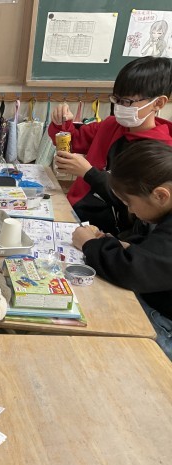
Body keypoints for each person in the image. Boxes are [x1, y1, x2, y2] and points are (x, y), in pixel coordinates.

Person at [49, 56, 172, 236]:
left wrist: (89, 173)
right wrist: (62, 122)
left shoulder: (159, 152)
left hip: (111, 229)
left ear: (158, 103)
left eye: (127, 102)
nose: (120, 107)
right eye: (117, 100)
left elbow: (134, 202)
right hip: (75, 208)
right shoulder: (112, 125)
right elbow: (74, 140)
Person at [72, 140, 172, 360]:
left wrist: (89, 244)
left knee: (93, 322)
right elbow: (156, 253)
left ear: (160, 196)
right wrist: (126, 246)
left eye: (129, 203)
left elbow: (132, 270)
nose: (131, 211)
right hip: (159, 301)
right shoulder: (165, 209)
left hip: (165, 324)